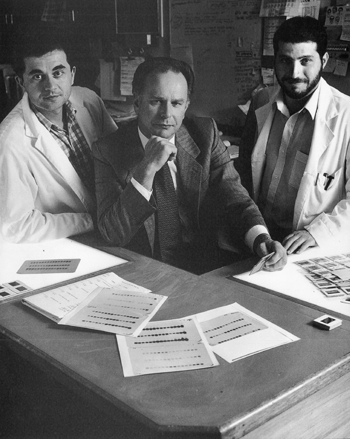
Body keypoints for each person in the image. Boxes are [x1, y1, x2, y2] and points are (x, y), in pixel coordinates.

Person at [93, 57, 286, 273]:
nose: (166, 114)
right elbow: (112, 233)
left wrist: (261, 237)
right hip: (147, 271)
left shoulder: (204, 134)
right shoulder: (108, 150)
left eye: (176, 103)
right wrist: (146, 168)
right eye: (156, 101)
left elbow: (234, 198)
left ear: (186, 106)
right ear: (137, 103)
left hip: (208, 266)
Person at [235, 16, 350, 255]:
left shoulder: (346, 115)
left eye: (305, 60)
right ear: (275, 61)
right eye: (285, 61)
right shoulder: (261, 101)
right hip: (262, 236)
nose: (294, 73)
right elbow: (244, 175)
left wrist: (316, 233)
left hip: (311, 242)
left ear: (324, 61)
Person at [0, 24, 117, 243]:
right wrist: (90, 221)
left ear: (71, 74)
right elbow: (15, 226)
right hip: (68, 242)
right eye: (37, 76)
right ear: (21, 82)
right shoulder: (10, 141)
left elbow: (119, 162)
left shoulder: (89, 101)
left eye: (58, 73)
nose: (50, 86)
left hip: (115, 227)